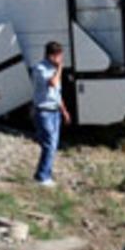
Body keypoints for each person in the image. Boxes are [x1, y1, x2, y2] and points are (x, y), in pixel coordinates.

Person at [31, 41, 71, 187]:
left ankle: (45, 173)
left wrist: (64, 110)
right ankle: (42, 177)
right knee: (49, 145)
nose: (61, 59)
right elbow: (53, 83)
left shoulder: (53, 69)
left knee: (52, 145)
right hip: (43, 112)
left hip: (55, 111)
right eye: (59, 56)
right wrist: (60, 67)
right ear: (52, 56)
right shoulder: (40, 68)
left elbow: (56, 93)